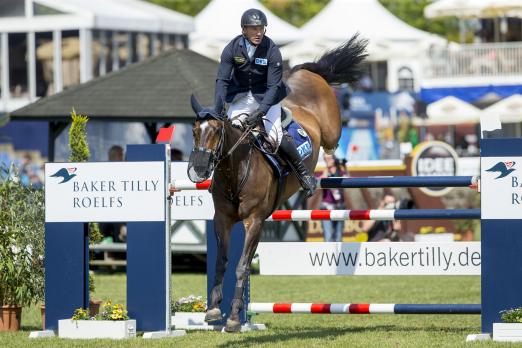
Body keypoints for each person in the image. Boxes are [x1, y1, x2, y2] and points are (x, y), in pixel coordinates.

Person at [212, 8, 315, 197]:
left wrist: (260, 113)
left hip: (267, 97)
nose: (258, 33)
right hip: (241, 97)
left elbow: (274, 86)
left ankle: (303, 174)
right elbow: (222, 80)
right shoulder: (232, 48)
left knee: (274, 136)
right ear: (244, 29)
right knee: (228, 135)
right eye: (254, 29)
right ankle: (217, 178)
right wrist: (217, 109)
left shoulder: (272, 50)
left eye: (261, 28)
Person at [319, 153, 349, 242]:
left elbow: (348, 179)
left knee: (339, 235)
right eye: (326, 159)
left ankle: (338, 256)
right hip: (327, 208)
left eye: (330, 158)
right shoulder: (325, 171)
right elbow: (321, 180)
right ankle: (329, 255)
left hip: (339, 207)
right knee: (328, 236)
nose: (328, 160)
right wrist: (327, 168)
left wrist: (343, 166)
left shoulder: (340, 172)